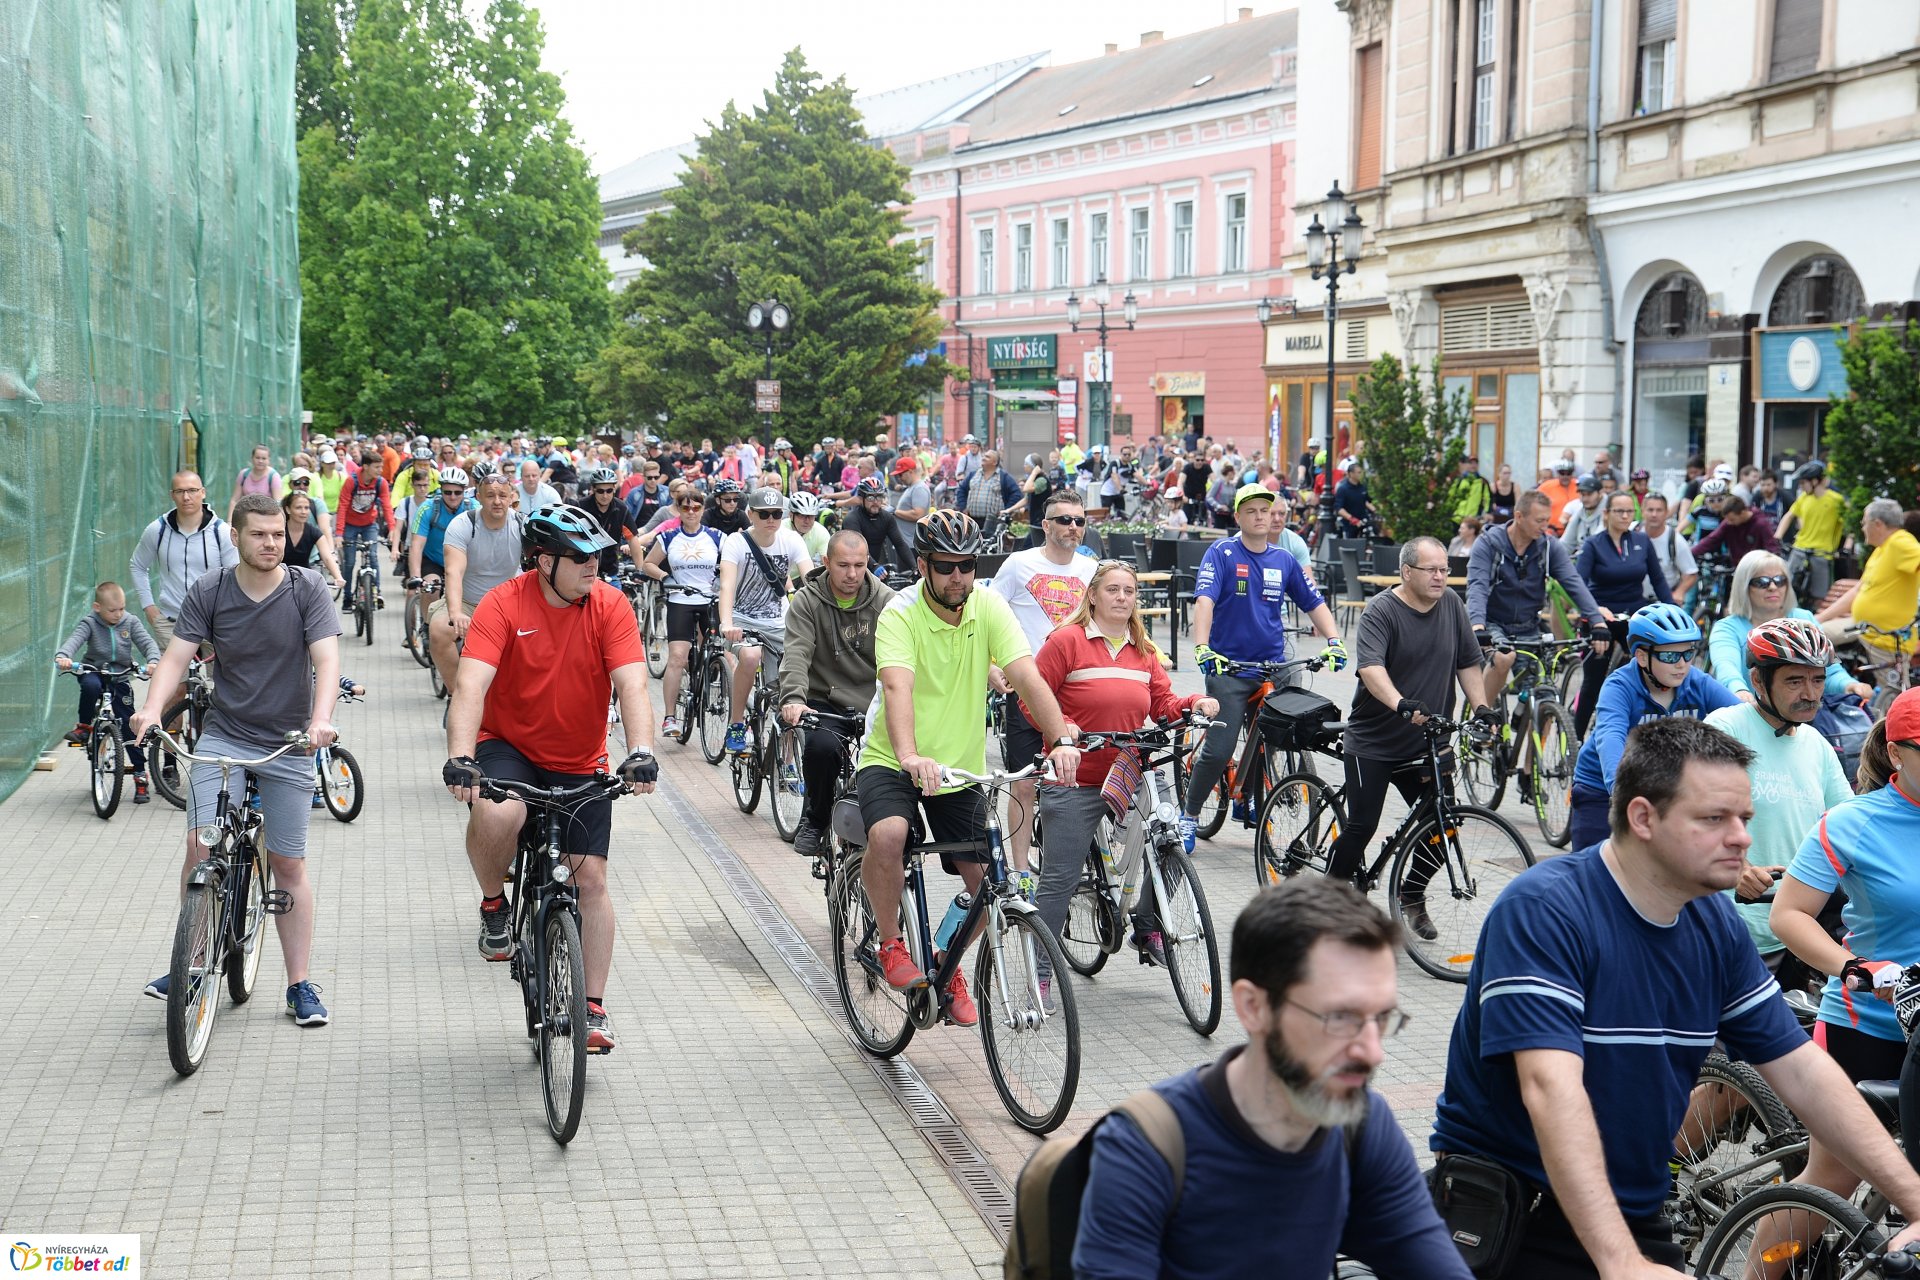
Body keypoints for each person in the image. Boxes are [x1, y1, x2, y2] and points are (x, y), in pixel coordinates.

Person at [1434, 716, 1920, 1277]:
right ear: (1643, 817)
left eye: (1744, 819)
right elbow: (1550, 1087)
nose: (1741, 838)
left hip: (1633, 1212)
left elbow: (1802, 1070)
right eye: (1714, 819)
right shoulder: (1545, 910)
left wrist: (1914, 1200)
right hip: (1518, 1216)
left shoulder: (1712, 921)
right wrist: (1619, 1262)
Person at [1076, 880, 1473, 1280]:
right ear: (1254, 1007)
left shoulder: (1362, 1126)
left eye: (1381, 1018)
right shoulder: (1145, 1149)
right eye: (1340, 1018)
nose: (1373, 1052)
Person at [441, 506, 657, 1055]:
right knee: (499, 812)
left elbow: (633, 685)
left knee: (592, 881)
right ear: (543, 562)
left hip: (580, 756)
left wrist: (641, 751)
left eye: (597, 555)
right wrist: (461, 757)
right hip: (508, 745)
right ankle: (495, 905)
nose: (593, 565)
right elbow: (470, 686)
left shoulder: (610, 605)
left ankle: (592, 1008)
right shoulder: (503, 603)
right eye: (579, 557)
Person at [855, 511, 1079, 1025]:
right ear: (923, 566)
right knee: (889, 834)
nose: (958, 577)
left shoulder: (988, 605)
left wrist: (1062, 739)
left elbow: (1027, 676)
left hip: (959, 768)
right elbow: (897, 687)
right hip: (893, 758)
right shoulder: (900, 613)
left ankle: (945, 959)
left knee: (989, 882)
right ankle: (890, 942)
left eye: (967, 565)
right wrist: (910, 756)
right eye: (945, 566)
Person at [129, 494, 342, 1026]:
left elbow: (326, 658)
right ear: (235, 536)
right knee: (199, 845)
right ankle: (193, 959)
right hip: (225, 736)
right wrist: (152, 709)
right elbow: (176, 657)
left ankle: (298, 984)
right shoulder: (211, 589)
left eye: (277, 535)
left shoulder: (306, 588)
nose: (270, 543)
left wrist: (321, 720)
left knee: (288, 865)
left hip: (290, 740)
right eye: (258, 535)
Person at [1772, 685, 1920, 1210]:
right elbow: (1789, 914)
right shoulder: (1853, 822)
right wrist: (1856, 967)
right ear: (1896, 754)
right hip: (1869, 1026)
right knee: (1831, 1182)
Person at [1030, 561, 1215, 966]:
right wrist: (1063, 727)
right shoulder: (1066, 641)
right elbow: (1033, 699)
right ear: (1093, 596)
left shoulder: (1143, 650)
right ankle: (1041, 970)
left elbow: (1162, 704)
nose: (1122, 598)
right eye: (1112, 590)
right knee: (1060, 879)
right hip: (1075, 776)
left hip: (1131, 770)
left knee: (1169, 839)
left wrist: (1194, 703)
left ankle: (1147, 923)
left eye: (1129, 591)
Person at [1325, 538, 1496, 935]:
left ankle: (1412, 894)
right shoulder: (1382, 610)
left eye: (1444, 569)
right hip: (1374, 741)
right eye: (1431, 569)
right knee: (1362, 826)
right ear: (1406, 572)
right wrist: (1400, 703)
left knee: (1443, 824)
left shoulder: (1451, 605)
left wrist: (1481, 707)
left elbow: (1468, 662)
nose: (1440, 577)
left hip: (1426, 742)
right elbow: (1371, 668)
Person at [1182, 484, 1347, 852]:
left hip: (1274, 665)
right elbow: (1204, 600)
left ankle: (1248, 795)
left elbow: (1313, 602)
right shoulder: (1222, 553)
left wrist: (1335, 640)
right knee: (1220, 749)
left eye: (1266, 510)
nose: (1260, 517)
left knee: (1275, 737)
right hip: (1229, 667)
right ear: (1238, 516)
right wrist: (1202, 647)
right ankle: (1189, 815)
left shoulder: (1283, 560)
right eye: (1251, 511)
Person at [1702, 619, 1852, 990]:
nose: (1811, 693)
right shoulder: (1726, 728)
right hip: (1726, 931)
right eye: (1794, 681)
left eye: (1818, 680)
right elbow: (1695, 813)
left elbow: (1848, 825)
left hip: (1796, 934)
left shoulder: (1816, 745)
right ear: (1758, 681)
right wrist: (1739, 868)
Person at [986, 489, 1098, 877]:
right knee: (1024, 782)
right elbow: (985, 612)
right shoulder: (1019, 564)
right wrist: (990, 666)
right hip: (1027, 688)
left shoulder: (1092, 569)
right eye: (1064, 520)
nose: (1073, 527)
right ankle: (1020, 872)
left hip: (1077, 689)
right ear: (1046, 525)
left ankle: (1071, 863)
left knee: (1075, 778)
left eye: (1079, 521)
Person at [1567, 603, 1739, 849]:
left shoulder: (1697, 682)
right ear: (1641, 656)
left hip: (1664, 790)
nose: (1682, 664)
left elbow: (1741, 717)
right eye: (1670, 656)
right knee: (1592, 865)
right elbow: (1610, 737)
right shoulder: (1619, 686)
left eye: (1688, 653)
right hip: (1601, 790)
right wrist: (1619, 789)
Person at [777, 531, 896, 856]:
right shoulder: (807, 601)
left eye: (859, 565)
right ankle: (816, 819)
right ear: (826, 562)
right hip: (826, 700)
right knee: (821, 749)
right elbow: (797, 652)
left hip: (875, 700)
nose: (852, 574)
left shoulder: (887, 601)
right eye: (843, 565)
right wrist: (794, 698)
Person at [1466, 490, 1609, 702]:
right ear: (1519, 516)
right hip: (1492, 622)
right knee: (1504, 658)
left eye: (1547, 520)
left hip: (1528, 625)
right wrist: (1477, 625)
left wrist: (1597, 621)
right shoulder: (1488, 543)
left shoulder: (1549, 546)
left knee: (1542, 690)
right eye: (1539, 520)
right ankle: (1482, 713)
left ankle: (1534, 717)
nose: (1545, 526)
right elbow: (1477, 586)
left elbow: (1573, 583)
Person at [1570, 491, 1675, 735]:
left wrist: (1672, 611)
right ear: (1606, 514)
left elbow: (1658, 580)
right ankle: (1576, 741)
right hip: (1600, 616)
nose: (1625, 516)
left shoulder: (1641, 541)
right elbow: (1578, 584)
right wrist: (1594, 610)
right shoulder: (1593, 544)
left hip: (1633, 616)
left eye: (1629, 511)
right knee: (1593, 682)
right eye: (1619, 511)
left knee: (1650, 674)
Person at [716, 489, 813, 753]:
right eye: (764, 514)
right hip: (742, 620)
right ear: (751, 514)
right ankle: (736, 723)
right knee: (749, 657)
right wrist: (726, 623)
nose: (771, 519)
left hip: (780, 623)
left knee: (790, 684)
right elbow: (726, 585)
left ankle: (789, 759)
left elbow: (811, 580)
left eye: (777, 514)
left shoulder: (791, 539)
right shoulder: (736, 542)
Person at [1708, 550, 1872, 704]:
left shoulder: (1803, 619)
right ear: (1744, 587)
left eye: (1780, 580)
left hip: (1802, 713)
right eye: (1762, 582)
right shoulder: (1727, 628)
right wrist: (1739, 690)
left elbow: (1830, 670)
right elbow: (1726, 667)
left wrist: (1849, 685)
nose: (1773, 587)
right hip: (1751, 711)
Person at [54, 582, 162, 801]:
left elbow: (148, 644)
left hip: (120, 675)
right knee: (90, 686)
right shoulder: (90, 623)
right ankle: (84, 727)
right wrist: (64, 656)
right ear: (97, 607)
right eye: (112, 610)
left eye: (121, 608)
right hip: (94, 670)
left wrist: (152, 661)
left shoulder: (130, 621)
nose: (118, 614)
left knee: (129, 724)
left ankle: (140, 775)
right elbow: (74, 640)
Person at [432, 471, 525, 696]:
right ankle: (457, 694)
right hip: (467, 601)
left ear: (511, 497)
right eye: (490, 495)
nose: (497, 501)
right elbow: (454, 571)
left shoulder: (522, 525)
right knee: (439, 630)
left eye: (503, 495)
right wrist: (455, 612)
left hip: (507, 603)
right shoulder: (463, 524)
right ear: (479, 497)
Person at [643, 486, 724, 741]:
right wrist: (664, 577)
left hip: (710, 601)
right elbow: (647, 564)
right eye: (685, 507)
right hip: (680, 601)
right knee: (677, 657)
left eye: (696, 507)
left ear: (703, 509)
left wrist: (722, 577)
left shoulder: (716, 536)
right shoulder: (668, 537)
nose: (691, 512)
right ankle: (669, 717)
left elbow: (733, 563)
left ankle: (712, 687)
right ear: (678, 509)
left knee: (719, 653)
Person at [129, 471, 240, 649]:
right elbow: (137, 565)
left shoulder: (221, 532)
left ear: (203, 492)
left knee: (220, 669)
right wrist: (148, 606)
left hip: (214, 623)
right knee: (172, 669)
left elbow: (235, 576)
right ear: (172, 495)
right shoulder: (157, 529)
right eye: (179, 491)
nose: (186, 497)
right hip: (171, 623)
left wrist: (227, 615)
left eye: (192, 490)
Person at [1817, 497, 1920, 649]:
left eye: (1864, 523)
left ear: (1878, 524)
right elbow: (1857, 591)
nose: (1862, 528)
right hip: (1862, 628)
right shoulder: (1881, 549)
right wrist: (1819, 618)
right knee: (1809, 635)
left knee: (1810, 641)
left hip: (1884, 640)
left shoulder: (1900, 542)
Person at [1778, 460, 1846, 604]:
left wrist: (1846, 547)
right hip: (1800, 548)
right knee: (1785, 586)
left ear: (1815, 481)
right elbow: (1789, 516)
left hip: (1822, 553)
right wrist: (1777, 537)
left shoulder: (1836, 500)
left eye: (1803, 483)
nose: (1801, 487)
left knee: (1819, 596)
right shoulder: (1803, 498)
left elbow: (1848, 526)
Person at [333, 450, 393, 609]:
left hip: (369, 524)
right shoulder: (351, 481)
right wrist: (339, 534)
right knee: (350, 562)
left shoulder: (380, 483)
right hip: (350, 525)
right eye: (377, 467)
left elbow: (387, 506)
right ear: (366, 467)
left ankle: (377, 593)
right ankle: (347, 598)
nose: (380, 470)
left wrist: (392, 529)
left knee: (372, 557)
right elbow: (342, 506)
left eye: (381, 467)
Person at [579, 466, 643, 579]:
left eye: (609, 491)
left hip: (610, 571)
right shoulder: (581, 507)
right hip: (583, 571)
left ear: (614, 489)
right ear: (593, 489)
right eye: (600, 491)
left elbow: (632, 539)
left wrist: (640, 570)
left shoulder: (621, 509)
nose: (605, 496)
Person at [842, 478, 915, 575]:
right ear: (861, 499)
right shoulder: (852, 519)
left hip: (873, 564)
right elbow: (856, 548)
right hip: (852, 567)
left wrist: (915, 568)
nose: (876, 502)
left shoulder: (887, 518)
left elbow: (900, 544)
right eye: (870, 498)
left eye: (879, 497)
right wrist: (874, 566)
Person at [1689, 493, 1778, 565]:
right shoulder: (1728, 523)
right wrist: (1690, 553)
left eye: (1732, 519)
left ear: (1743, 513)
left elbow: (1772, 548)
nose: (1729, 522)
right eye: (1727, 519)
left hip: (1756, 567)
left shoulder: (1760, 524)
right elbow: (1712, 539)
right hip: (1736, 566)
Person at [281, 492, 344, 590]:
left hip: (304, 579)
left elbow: (327, 557)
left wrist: (338, 577)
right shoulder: (278, 530)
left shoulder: (313, 532)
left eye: (306, 508)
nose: (303, 512)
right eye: (298, 508)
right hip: (280, 579)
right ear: (288, 509)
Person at [954, 449, 1025, 534]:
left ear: (994, 462)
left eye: (987, 457)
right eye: (984, 456)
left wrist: (1007, 510)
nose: (983, 458)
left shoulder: (1003, 477)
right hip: (972, 520)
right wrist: (963, 507)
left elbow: (1016, 494)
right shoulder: (973, 474)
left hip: (993, 522)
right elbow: (961, 490)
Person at [228, 445, 283, 520]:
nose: (260, 461)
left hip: (266, 517)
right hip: (245, 516)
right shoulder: (243, 474)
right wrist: (229, 521)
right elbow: (234, 500)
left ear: (268, 460)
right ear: (252, 458)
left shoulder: (274, 476)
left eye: (264, 458)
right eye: (257, 458)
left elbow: (278, 502)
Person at [1558, 474, 1606, 555]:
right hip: (1581, 555)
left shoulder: (1609, 511)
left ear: (1600, 493)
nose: (1585, 499)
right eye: (1583, 495)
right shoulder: (1579, 512)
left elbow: (1598, 541)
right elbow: (1566, 543)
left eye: (1589, 494)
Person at [781, 490, 828, 562]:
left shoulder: (821, 532)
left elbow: (827, 561)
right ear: (791, 515)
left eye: (811, 516)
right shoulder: (780, 530)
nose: (807, 521)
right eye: (802, 516)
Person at [1331, 461, 1376, 537]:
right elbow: (1339, 508)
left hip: (1363, 521)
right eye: (1359, 472)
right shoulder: (1343, 489)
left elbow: (1366, 501)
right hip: (1349, 524)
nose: (1361, 474)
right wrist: (1352, 519)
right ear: (1351, 474)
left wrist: (1376, 511)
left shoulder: (1362, 487)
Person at [1538, 458, 1579, 535]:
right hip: (1551, 530)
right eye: (1562, 473)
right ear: (1557, 474)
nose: (1565, 476)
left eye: (1568, 473)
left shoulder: (1578, 485)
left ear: (1572, 474)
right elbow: (1535, 504)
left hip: (1575, 530)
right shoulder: (1546, 486)